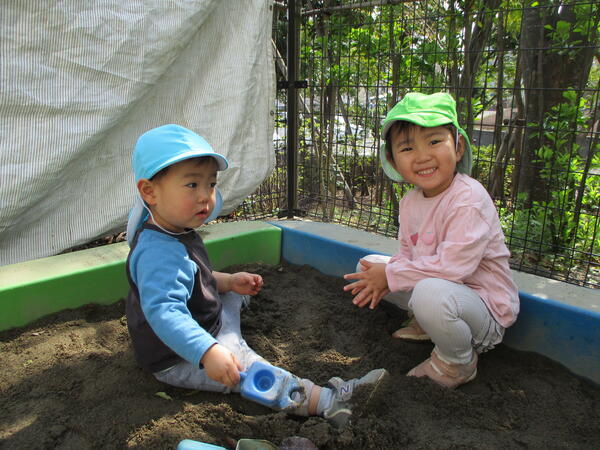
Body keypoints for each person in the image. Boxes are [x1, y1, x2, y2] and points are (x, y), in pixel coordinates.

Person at [124, 124, 388, 427]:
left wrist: (227, 281)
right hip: (178, 357)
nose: (205, 197)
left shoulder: (173, 229)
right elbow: (166, 313)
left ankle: (228, 325)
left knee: (233, 295)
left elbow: (194, 273)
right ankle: (329, 403)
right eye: (191, 185)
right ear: (149, 191)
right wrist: (207, 351)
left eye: (210, 185)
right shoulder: (157, 254)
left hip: (205, 323)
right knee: (248, 371)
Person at [343, 92, 519, 389]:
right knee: (369, 266)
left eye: (435, 141)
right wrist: (384, 273)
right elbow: (407, 256)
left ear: (458, 147)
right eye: (408, 147)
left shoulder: (468, 199)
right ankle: (426, 322)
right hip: (443, 292)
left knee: (427, 292)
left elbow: (453, 269)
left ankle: (458, 363)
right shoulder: (411, 202)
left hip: (483, 313)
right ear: (394, 161)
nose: (423, 156)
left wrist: (391, 275)